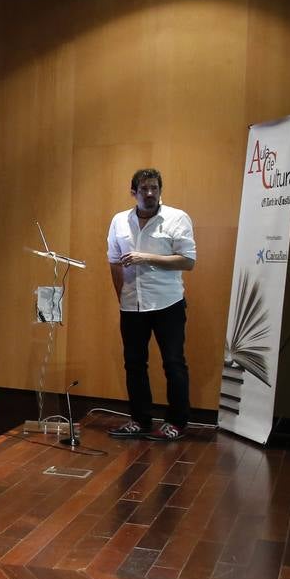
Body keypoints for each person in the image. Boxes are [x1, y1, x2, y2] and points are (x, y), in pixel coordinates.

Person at [106, 167, 196, 441]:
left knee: (173, 363)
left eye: (154, 188)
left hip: (168, 303)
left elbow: (188, 261)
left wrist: (147, 258)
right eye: (143, 189)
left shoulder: (177, 218)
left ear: (160, 190)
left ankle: (177, 422)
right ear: (133, 192)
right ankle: (140, 420)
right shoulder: (120, 221)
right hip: (132, 305)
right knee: (134, 364)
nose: (149, 193)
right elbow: (113, 261)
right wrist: (122, 295)